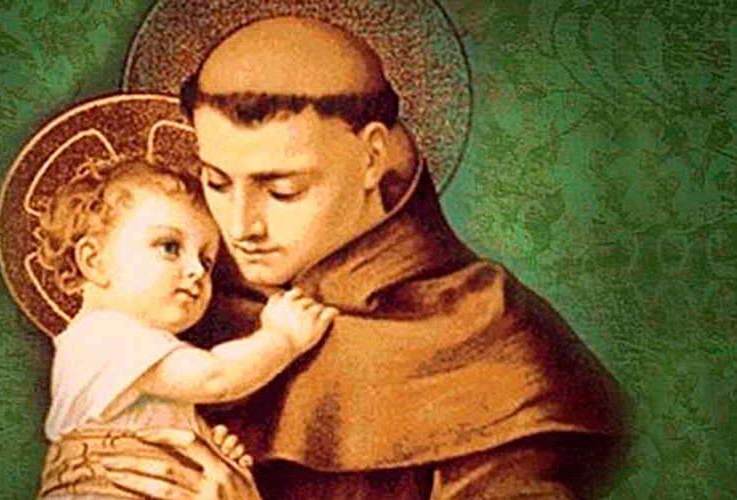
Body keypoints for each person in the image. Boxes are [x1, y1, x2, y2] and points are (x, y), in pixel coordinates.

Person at [104, 16, 629, 499]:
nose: (242, 226)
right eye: (217, 182)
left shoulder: (490, 342)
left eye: (283, 190)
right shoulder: (178, 310)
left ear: (372, 157)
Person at [32, 153, 338, 499]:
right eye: (170, 247)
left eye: (206, 262)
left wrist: (208, 448)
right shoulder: (102, 337)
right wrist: (283, 338)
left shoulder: (127, 351)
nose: (196, 271)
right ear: (94, 260)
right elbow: (215, 378)